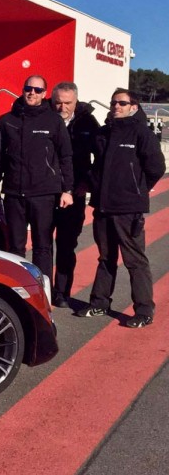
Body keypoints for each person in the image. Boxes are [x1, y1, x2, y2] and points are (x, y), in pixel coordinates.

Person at [78, 90, 165, 327]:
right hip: (103, 207)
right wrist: (93, 184)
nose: (117, 106)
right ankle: (99, 303)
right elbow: (97, 166)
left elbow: (156, 167)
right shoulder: (104, 132)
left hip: (128, 209)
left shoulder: (141, 133)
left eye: (122, 103)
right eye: (114, 102)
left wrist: (137, 190)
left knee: (135, 260)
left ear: (133, 106)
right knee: (106, 258)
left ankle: (144, 311)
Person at [0, 75, 74, 280]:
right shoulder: (7, 120)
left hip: (44, 194)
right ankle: (16, 290)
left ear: (44, 94)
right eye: (29, 88)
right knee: (15, 246)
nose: (32, 93)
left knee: (42, 246)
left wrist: (67, 189)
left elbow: (65, 156)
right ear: (23, 89)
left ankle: (43, 292)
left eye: (37, 90)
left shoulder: (54, 120)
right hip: (14, 194)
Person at [49, 82, 100, 307]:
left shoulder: (88, 123)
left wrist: (88, 181)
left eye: (67, 103)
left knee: (66, 244)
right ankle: (41, 291)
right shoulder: (45, 119)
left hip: (74, 194)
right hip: (46, 192)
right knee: (43, 245)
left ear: (76, 102)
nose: (62, 107)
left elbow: (102, 155)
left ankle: (61, 292)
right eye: (58, 102)